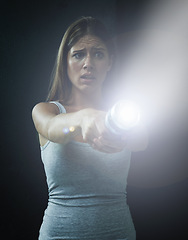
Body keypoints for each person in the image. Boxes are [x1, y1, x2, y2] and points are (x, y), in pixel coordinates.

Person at [32, 16, 148, 240]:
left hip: (119, 234)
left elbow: (141, 139)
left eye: (98, 54)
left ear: (110, 62)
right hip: (59, 234)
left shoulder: (123, 114)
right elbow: (54, 128)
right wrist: (84, 119)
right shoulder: (46, 110)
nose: (88, 63)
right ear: (65, 62)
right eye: (78, 54)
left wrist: (119, 133)